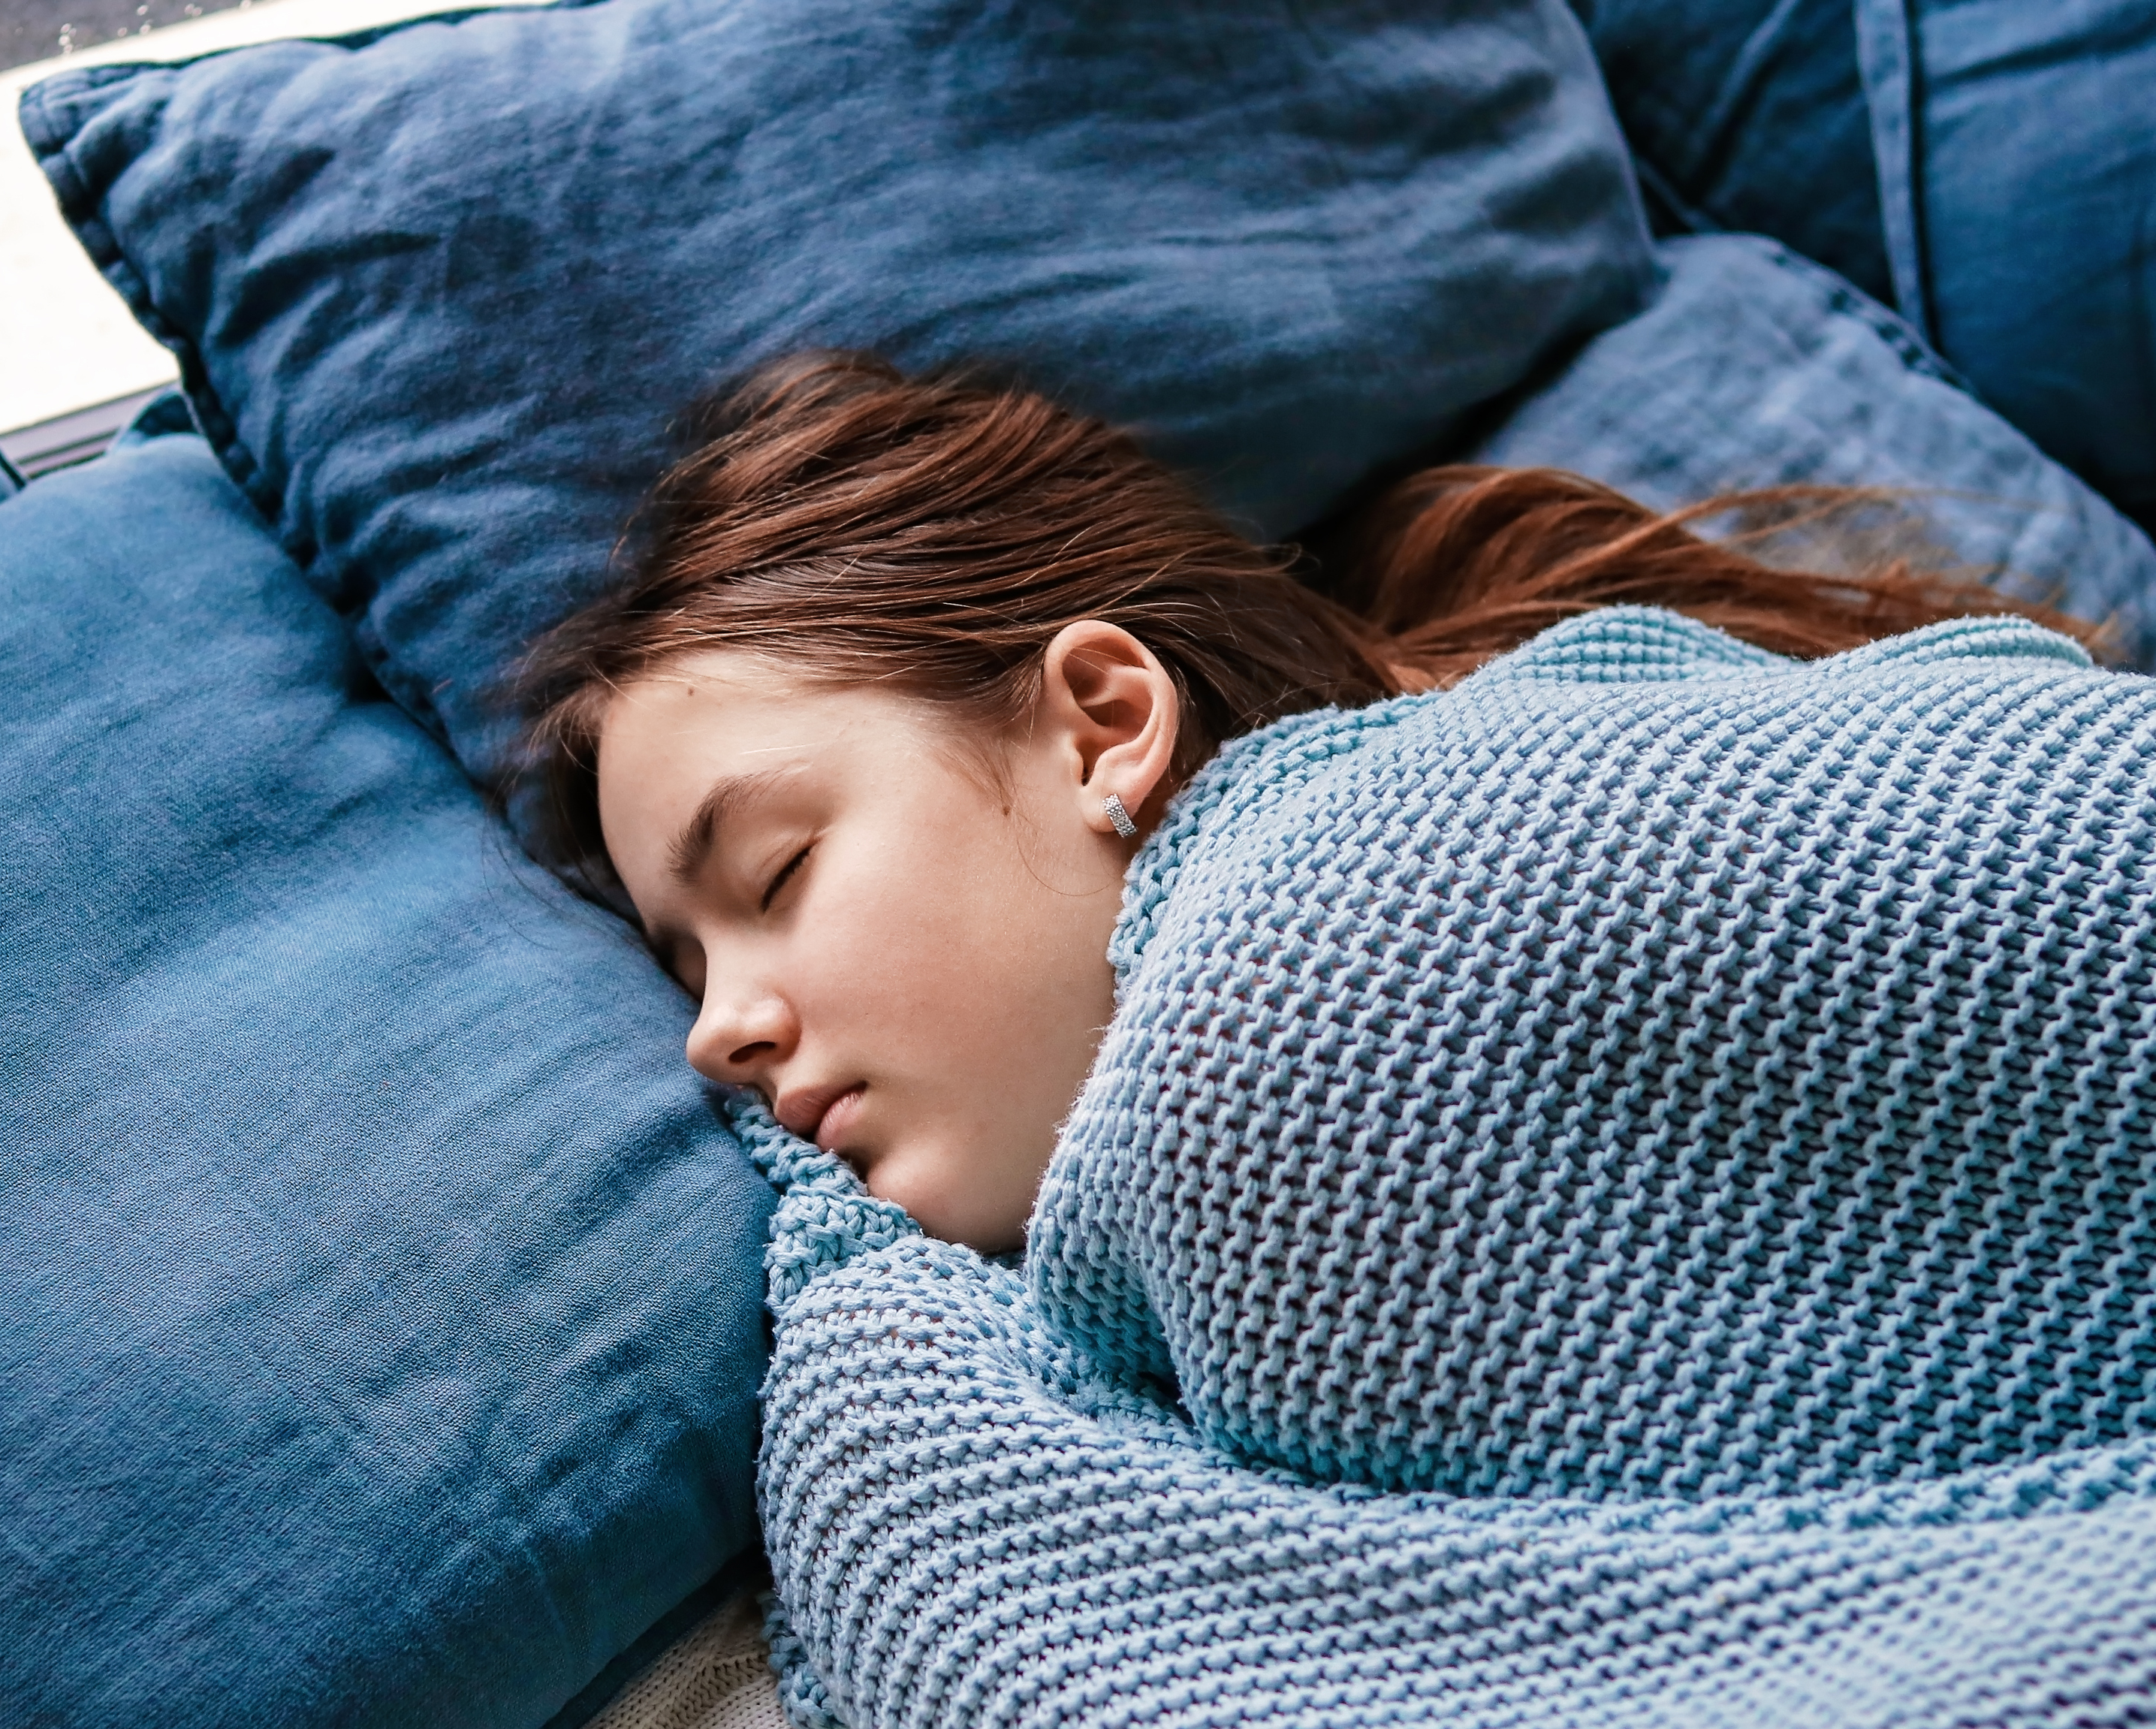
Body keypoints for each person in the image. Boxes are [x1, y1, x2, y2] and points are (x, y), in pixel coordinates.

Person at [507, 350, 2059, 1253]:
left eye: (772, 875)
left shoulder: (1493, 832)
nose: (712, 1032)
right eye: (687, 965)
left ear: (1104, 723)